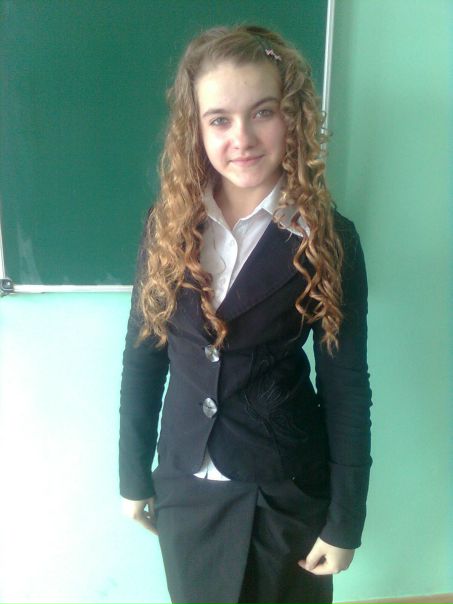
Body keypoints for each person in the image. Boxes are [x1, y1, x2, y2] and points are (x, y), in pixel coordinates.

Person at [119, 25, 372, 604]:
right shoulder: (167, 225)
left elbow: (346, 388)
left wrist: (345, 520)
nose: (242, 138)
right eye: (219, 120)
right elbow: (143, 355)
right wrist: (132, 474)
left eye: (263, 112)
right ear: (196, 128)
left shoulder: (330, 239)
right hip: (185, 486)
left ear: (293, 116)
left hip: (284, 488)